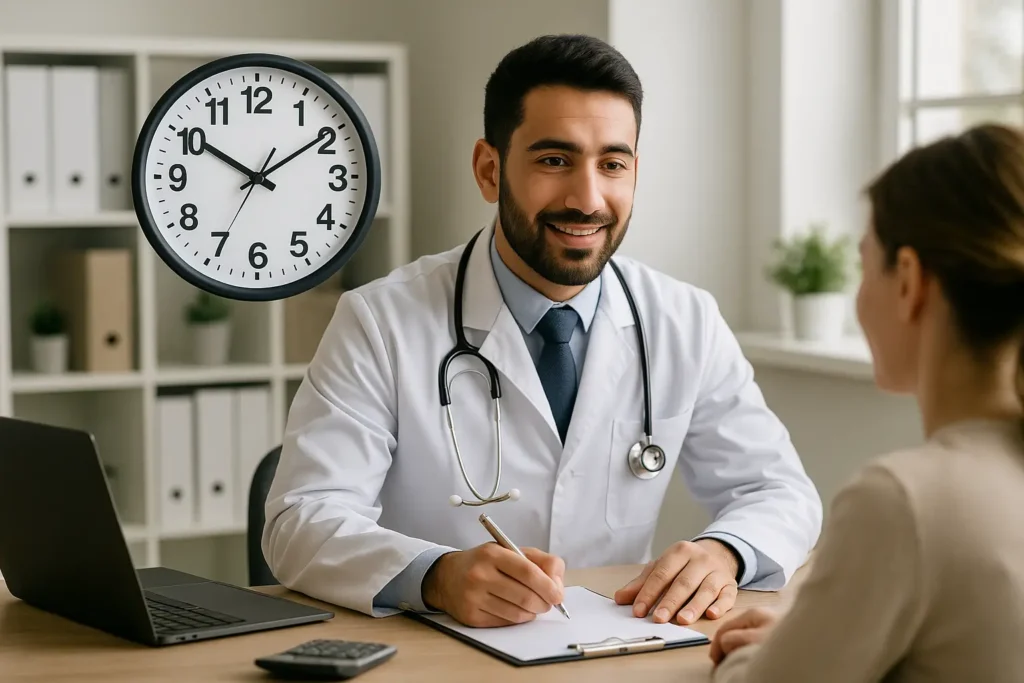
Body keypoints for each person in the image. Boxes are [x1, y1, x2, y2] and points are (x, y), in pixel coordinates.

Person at [262, 33, 821, 628]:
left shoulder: (684, 320)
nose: (587, 199)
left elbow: (780, 492)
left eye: (612, 164)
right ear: (489, 169)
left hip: (613, 657)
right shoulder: (380, 320)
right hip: (442, 655)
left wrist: (726, 552)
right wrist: (434, 575)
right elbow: (302, 518)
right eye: (554, 161)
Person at [709, 122, 1024, 682]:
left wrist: (760, 654)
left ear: (909, 281)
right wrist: (812, 635)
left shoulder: (905, 502)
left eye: (863, 264)